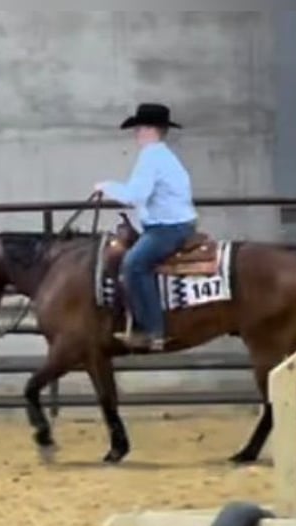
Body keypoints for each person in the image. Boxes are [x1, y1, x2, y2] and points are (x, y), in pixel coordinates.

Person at [94, 103, 198, 351]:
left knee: (134, 265)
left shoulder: (151, 156)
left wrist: (106, 187)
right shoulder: (163, 155)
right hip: (173, 224)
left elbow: (135, 195)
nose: (136, 133)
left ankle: (154, 331)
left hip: (167, 228)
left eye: (139, 128)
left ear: (150, 129)